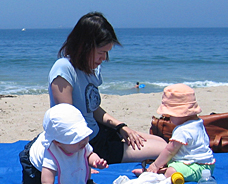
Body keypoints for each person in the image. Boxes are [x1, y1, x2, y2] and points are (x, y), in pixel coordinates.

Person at [49, 12, 166, 164]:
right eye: (101, 53)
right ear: (84, 47)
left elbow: (93, 110)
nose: (103, 58)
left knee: (160, 141)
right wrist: (85, 159)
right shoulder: (64, 69)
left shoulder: (91, 70)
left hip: (99, 131)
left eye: (106, 53)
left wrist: (121, 127)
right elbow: (65, 121)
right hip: (86, 145)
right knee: (163, 149)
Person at [19, 104, 108, 184]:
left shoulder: (80, 144)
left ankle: (87, 183)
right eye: (75, 139)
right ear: (58, 143)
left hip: (60, 144)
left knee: (83, 164)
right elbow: (47, 182)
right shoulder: (50, 154)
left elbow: (89, 155)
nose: (83, 141)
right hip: (32, 163)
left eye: (83, 136)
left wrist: (96, 161)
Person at [133, 84, 215, 181]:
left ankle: (154, 173)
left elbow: (170, 150)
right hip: (205, 165)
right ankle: (155, 171)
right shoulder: (197, 122)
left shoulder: (183, 130)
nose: (169, 119)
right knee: (170, 161)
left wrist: (155, 165)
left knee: (171, 171)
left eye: (171, 115)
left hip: (197, 167)